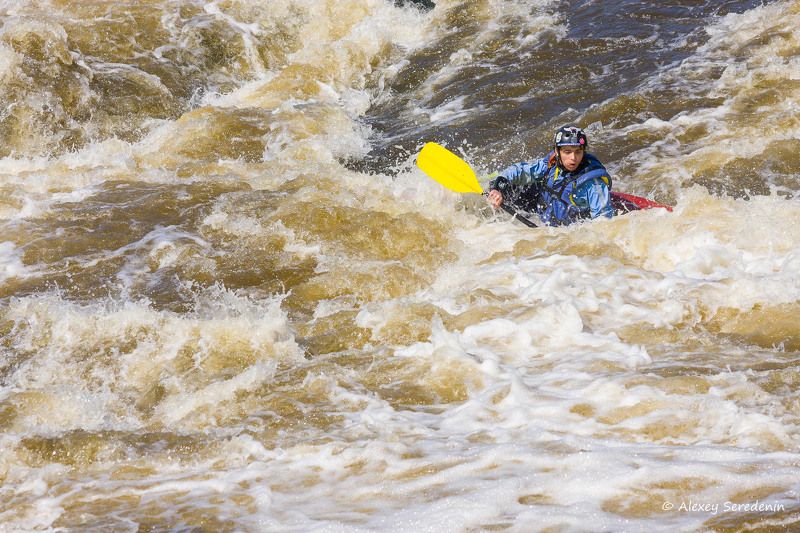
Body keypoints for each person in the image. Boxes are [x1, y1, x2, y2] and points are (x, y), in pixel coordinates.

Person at [486, 126, 614, 226]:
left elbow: (604, 223)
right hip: (541, 212)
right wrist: (497, 189)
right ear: (557, 151)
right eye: (567, 152)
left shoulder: (593, 184)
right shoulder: (550, 164)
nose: (573, 158)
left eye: (578, 152)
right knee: (504, 187)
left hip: (567, 228)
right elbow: (519, 171)